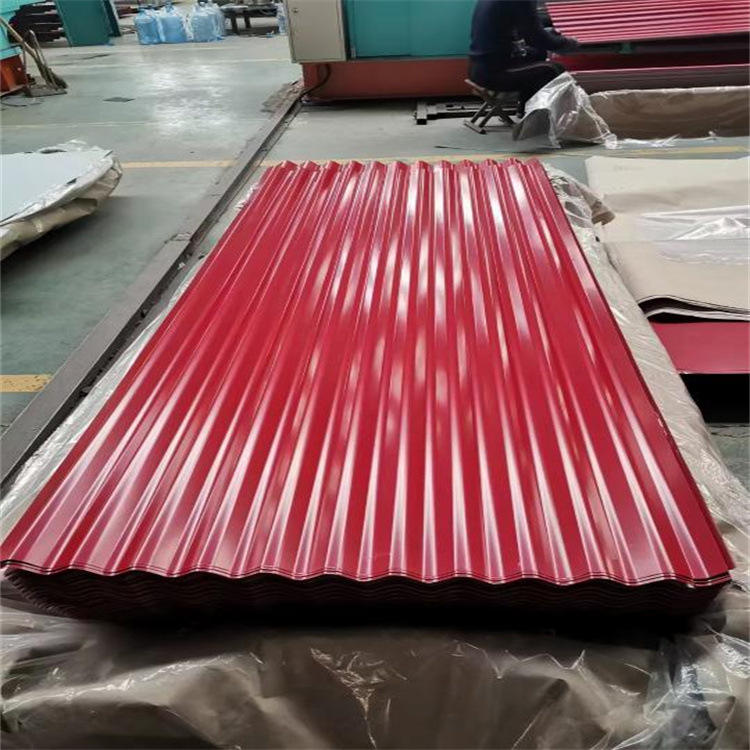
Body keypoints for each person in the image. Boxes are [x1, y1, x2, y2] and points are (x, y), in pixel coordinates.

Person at [469, 0, 580, 109]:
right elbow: (535, 38)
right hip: (493, 74)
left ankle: (524, 108)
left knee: (538, 53)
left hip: (478, 67)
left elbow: (526, 29)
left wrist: (550, 36)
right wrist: (566, 42)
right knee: (554, 70)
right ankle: (534, 116)